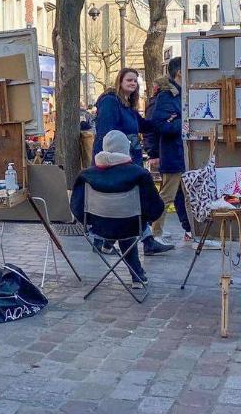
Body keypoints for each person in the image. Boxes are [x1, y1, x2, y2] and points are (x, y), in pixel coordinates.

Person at [70, 130, 165, 288]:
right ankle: (137, 276)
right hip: (130, 226)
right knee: (126, 228)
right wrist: (145, 220)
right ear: (125, 149)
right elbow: (156, 207)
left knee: (117, 224)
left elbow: (76, 206)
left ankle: (112, 249)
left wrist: (91, 222)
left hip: (99, 228)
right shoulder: (140, 174)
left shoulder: (86, 175)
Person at [93, 69, 172, 255]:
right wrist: (109, 162)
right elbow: (105, 132)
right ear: (119, 81)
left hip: (130, 159)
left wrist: (166, 120)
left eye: (135, 81)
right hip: (116, 162)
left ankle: (113, 241)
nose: (133, 83)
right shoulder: (111, 102)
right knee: (128, 200)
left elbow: (144, 125)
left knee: (132, 200)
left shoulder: (128, 105)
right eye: (129, 79)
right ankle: (138, 241)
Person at [151, 57, 193, 245]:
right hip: (173, 153)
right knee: (168, 195)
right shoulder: (167, 96)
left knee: (188, 195)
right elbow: (160, 125)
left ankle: (191, 231)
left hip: (181, 152)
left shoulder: (181, 93)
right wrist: (184, 123)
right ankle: (156, 233)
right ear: (179, 72)